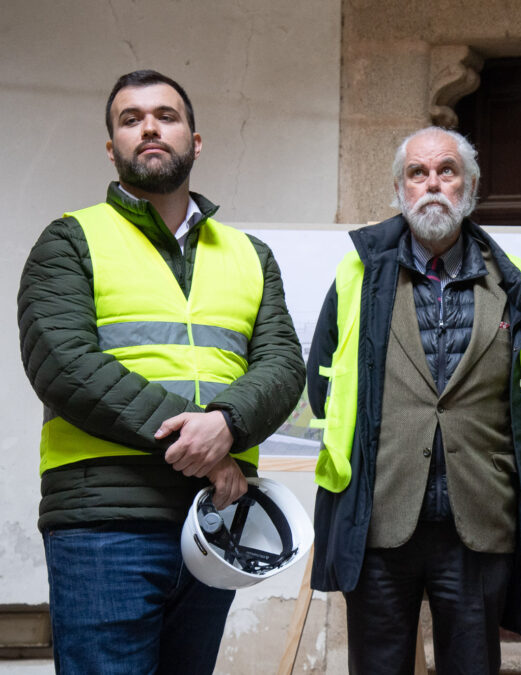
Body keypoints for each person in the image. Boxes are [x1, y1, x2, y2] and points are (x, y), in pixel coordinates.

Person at [17, 69, 306, 674]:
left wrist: (225, 423)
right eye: (130, 119)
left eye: (166, 116)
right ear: (112, 147)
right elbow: (64, 366)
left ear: (195, 141)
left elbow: (281, 365)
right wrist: (201, 443)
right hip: (104, 524)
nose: (149, 127)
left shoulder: (251, 255)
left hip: (212, 521)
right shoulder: (70, 241)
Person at [307, 126, 521, 673]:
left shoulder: (518, 283)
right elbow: (323, 384)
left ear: (470, 186)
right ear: (400, 190)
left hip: (478, 518)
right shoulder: (358, 274)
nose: (432, 185)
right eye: (417, 174)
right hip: (379, 516)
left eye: (447, 171)